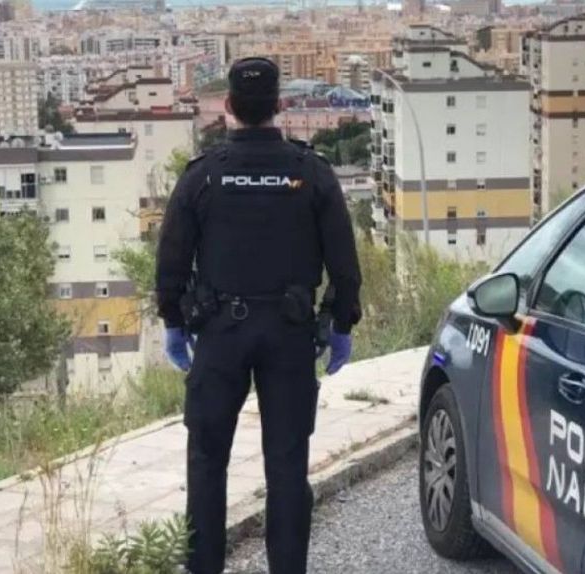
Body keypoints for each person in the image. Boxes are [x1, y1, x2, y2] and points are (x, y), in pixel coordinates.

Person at [154, 57, 362, 574]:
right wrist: (341, 324)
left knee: (207, 462)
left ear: (228, 106)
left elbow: (171, 260)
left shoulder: (203, 176)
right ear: (280, 105)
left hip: (220, 333)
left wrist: (174, 323)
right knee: (287, 467)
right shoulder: (311, 172)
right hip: (289, 335)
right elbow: (344, 263)